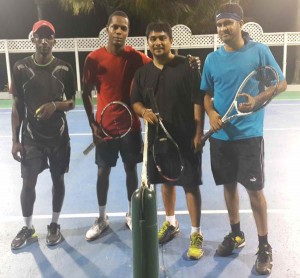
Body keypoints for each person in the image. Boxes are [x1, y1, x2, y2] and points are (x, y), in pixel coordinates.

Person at [200, 3, 287, 275]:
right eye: (219, 25)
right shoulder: (212, 59)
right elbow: (206, 93)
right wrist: (211, 113)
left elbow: (280, 83)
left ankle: (264, 246)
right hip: (221, 136)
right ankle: (236, 234)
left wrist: (259, 98)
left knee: (254, 191)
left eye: (228, 23)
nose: (223, 29)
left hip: (249, 135)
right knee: (228, 186)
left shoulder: (259, 51)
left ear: (240, 24)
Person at [131, 21, 205, 260]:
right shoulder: (142, 73)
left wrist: (197, 132)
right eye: (153, 39)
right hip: (158, 140)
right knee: (166, 181)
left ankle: (196, 233)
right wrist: (144, 112)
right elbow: (135, 101)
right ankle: (171, 223)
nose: (157, 42)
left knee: (191, 184)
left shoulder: (187, 66)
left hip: (184, 137)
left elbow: (197, 100)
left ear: (171, 40)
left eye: (162, 38)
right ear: (148, 43)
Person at [82, 11, 152, 240]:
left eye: (124, 28)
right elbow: (85, 93)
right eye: (115, 27)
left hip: (130, 128)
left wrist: (185, 61)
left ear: (128, 32)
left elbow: (160, 64)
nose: (119, 32)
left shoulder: (137, 58)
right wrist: (92, 124)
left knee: (130, 170)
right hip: (105, 130)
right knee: (103, 172)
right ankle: (102, 218)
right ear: (108, 29)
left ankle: (131, 213)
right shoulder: (93, 59)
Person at [10, 20, 76, 249]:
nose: (44, 41)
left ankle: (54, 225)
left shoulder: (65, 68)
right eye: (40, 36)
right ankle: (28, 228)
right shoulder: (20, 68)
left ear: (54, 41)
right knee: (28, 183)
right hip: (31, 137)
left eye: (49, 36)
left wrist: (54, 106)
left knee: (58, 181)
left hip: (58, 138)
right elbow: (17, 105)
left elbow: (71, 103)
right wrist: (15, 140)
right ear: (33, 39)